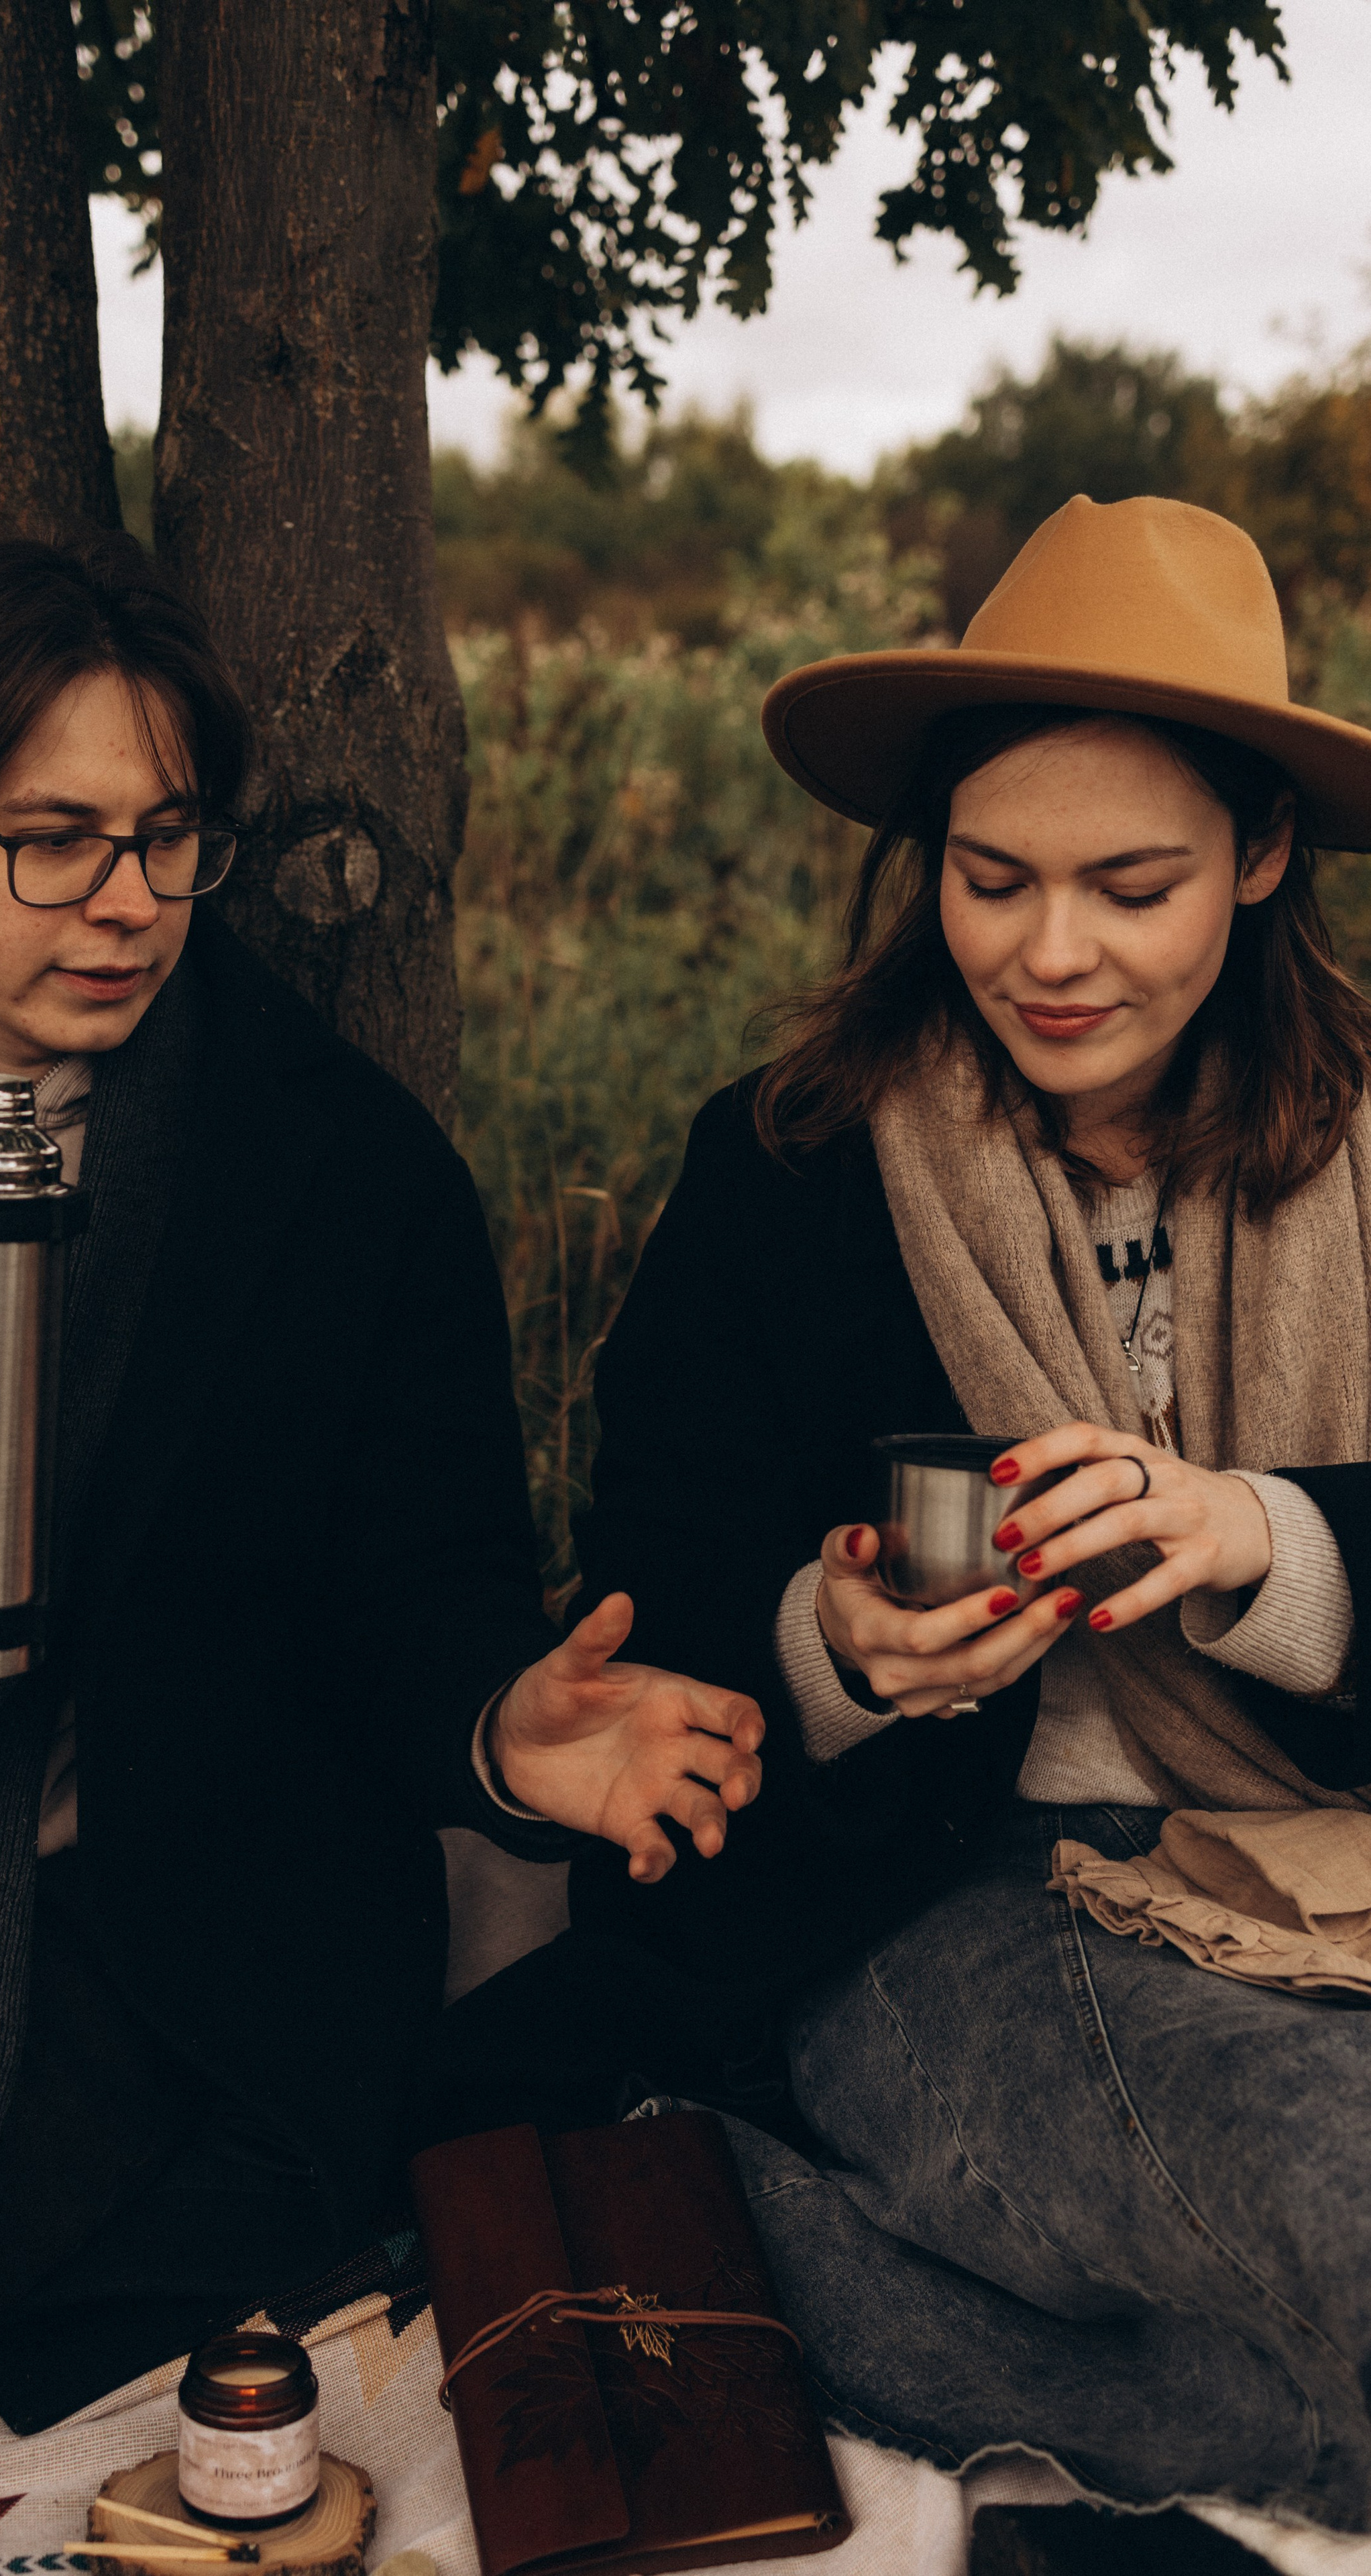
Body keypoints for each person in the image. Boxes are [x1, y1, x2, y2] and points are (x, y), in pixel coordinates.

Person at [0, 517, 763, 2576]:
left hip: (101, 1937)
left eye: (171, 839)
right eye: (50, 839)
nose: (128, 906)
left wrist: (507, 1736)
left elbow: (412, 1590)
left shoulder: (329, 1172)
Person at [567, 495, 1371, 2532]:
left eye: (1131, 885)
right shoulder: (789, 1173)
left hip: (1328, 1859)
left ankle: (970, 2336)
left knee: (1277, 2318)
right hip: (953, 1894)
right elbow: (645, 1614)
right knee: (1333, 2186)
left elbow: (1298, 1555)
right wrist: (835, 1657)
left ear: (1262, 859)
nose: (1050, 952)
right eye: (993, 880)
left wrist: (1265, 1540)